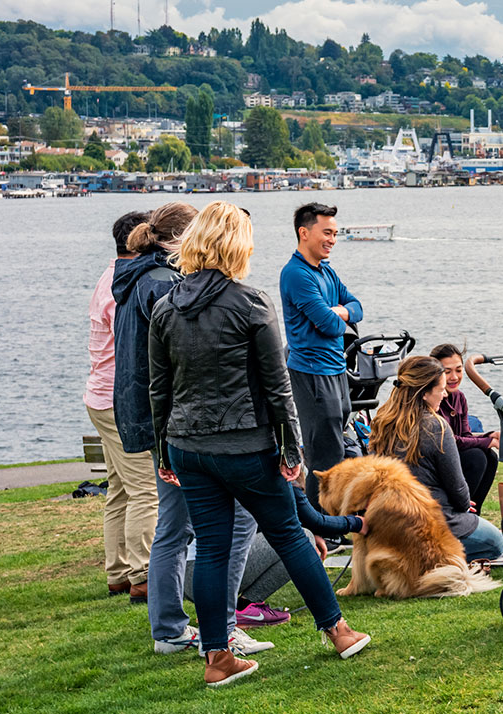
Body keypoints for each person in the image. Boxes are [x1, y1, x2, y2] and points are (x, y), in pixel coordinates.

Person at [150, 200, 371, 686]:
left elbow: (159, 387)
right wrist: (293, 451)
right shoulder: (248, 302)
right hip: (245, 445)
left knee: (211, 548)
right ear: (238, 245)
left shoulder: (166, 307)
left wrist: (164, 451)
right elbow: (277, 387)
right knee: (290, 535)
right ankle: (338, 630)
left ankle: (217, 658)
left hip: (188, 446)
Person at [114, 202, 262, 658]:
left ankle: (170, 629)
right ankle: (219, 627)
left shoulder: (135, 277)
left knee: (174, 527)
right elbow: (185, 358)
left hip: (156, 419)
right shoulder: (163, 287)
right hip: (183, 424)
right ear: (183, 237)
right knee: (234, 521)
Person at [369, 356, 503, 562]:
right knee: (496, 542)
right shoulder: (436, 426)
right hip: (432, 523)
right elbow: (459, 491)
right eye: (441, 389)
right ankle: (433, 556)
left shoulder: (381, 422)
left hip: (388, 525)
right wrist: (463, 509)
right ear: (425, 393)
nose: (445, 395)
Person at [88, 210, 160, 598]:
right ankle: (143, 576)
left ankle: (118, 570)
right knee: (145, 489)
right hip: (119, 399)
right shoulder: (130, 286)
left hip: (99, 395)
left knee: (119, 489)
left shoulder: (109, 276)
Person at [186, 485, 368, 629]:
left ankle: (230, 609)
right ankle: (244, 608)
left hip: (187, 572)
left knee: (296, 537)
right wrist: (356, 522)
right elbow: (314, 520)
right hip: (209, 573)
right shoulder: (267, 463)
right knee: (302, 538)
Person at [280, 202, 364, 509]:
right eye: (326, 232)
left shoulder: (326, 271)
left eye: (335, 233)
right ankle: (318, 524)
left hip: (337, 370)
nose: (332, 239)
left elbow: (357, 308)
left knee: (340, 448)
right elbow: (329, 325)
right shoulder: (296, 275)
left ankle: (334, 515)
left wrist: (340, 311)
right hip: (313, 373)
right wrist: (340, 316)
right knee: (323, 457)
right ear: (304, 233)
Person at [430, 344, 500, 507]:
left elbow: (465, 436)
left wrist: (488, 437)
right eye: (447, 372)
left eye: (459, 370)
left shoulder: (459, 397)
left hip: (451, 456)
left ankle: (475, 512)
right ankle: (458, 510)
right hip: (436, 461)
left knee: (490, 456)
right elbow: (450, 441)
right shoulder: (433, 398)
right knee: (476, 457)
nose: (454, 377)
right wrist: (486, 441)